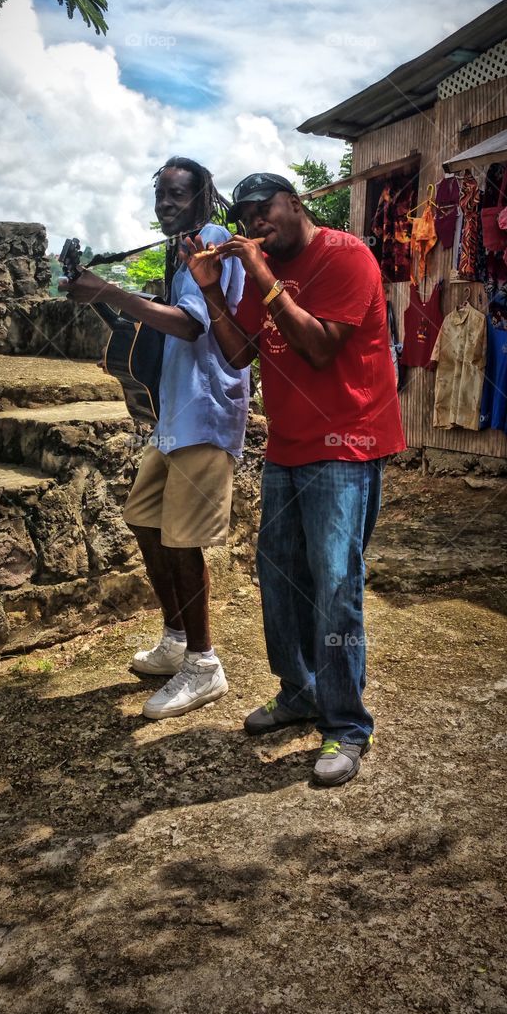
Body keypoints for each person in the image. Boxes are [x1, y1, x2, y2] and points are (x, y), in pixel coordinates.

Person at [182, 172, 405, 786]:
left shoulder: (345, 256)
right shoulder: (264, 266)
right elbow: (237, 354)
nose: (255, 221)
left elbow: (318, 348)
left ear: (295, 203)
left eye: (265, 208)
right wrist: (214, 295)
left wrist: (259, 274)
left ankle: (346, 725)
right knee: (280, 572)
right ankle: (299, 693)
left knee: (336, 584)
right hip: (287, 444)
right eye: (245, 213)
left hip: (347, 443)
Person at [64, 157, 249, 719]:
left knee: (181, 540)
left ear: (201, 196)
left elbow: (192, 324)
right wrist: (102, 297)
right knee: (145, 519)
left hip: (206, 412)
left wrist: (110, 294)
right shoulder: (176, 250)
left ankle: (203, 664)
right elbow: (161, 321)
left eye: (175, 195)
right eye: (160, 196)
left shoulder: (212, 241)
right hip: (173, 417)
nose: (164, 204)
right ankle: (175, 639)